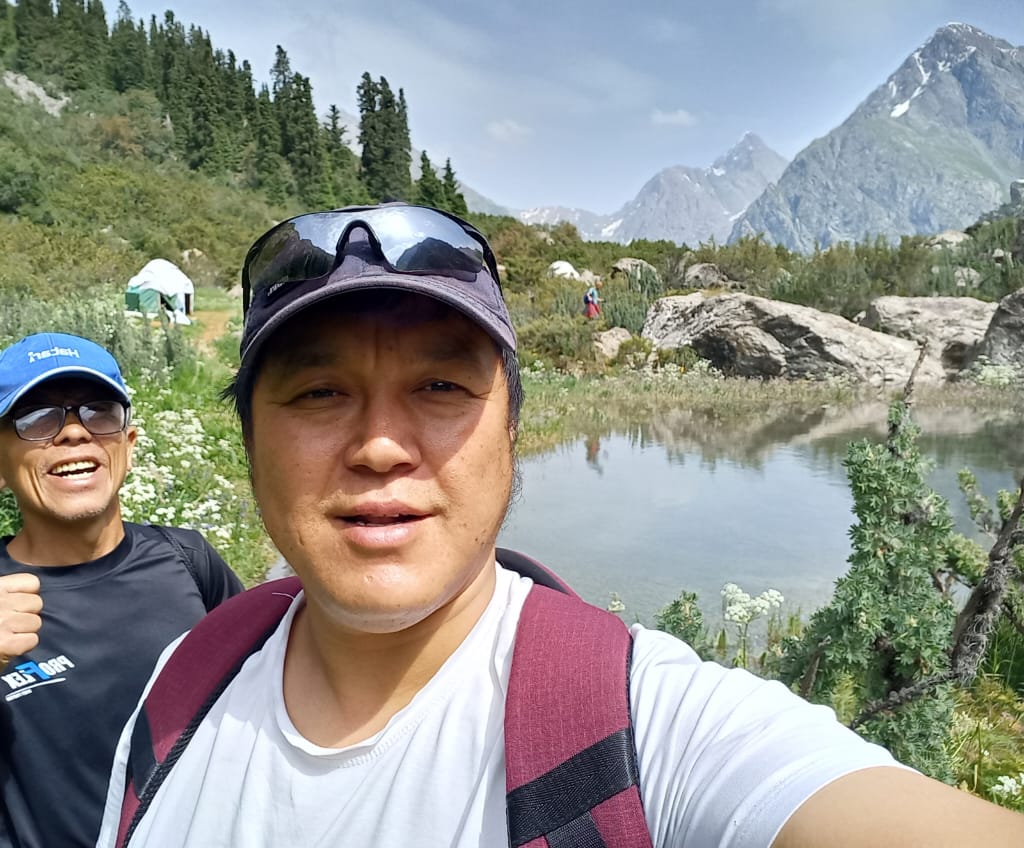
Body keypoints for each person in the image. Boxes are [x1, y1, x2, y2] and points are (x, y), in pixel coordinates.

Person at [97, 204, 1024, 847]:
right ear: (250, 440)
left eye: (442, 386)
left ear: (515, 434)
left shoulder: (637, 723)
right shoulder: (181, 692)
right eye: (319, 391)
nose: (380, 444)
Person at [0, 332, 243, 848]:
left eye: (98, 412)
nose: (75, 433)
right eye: (36, 419)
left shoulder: (190, 562)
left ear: (128, 444)